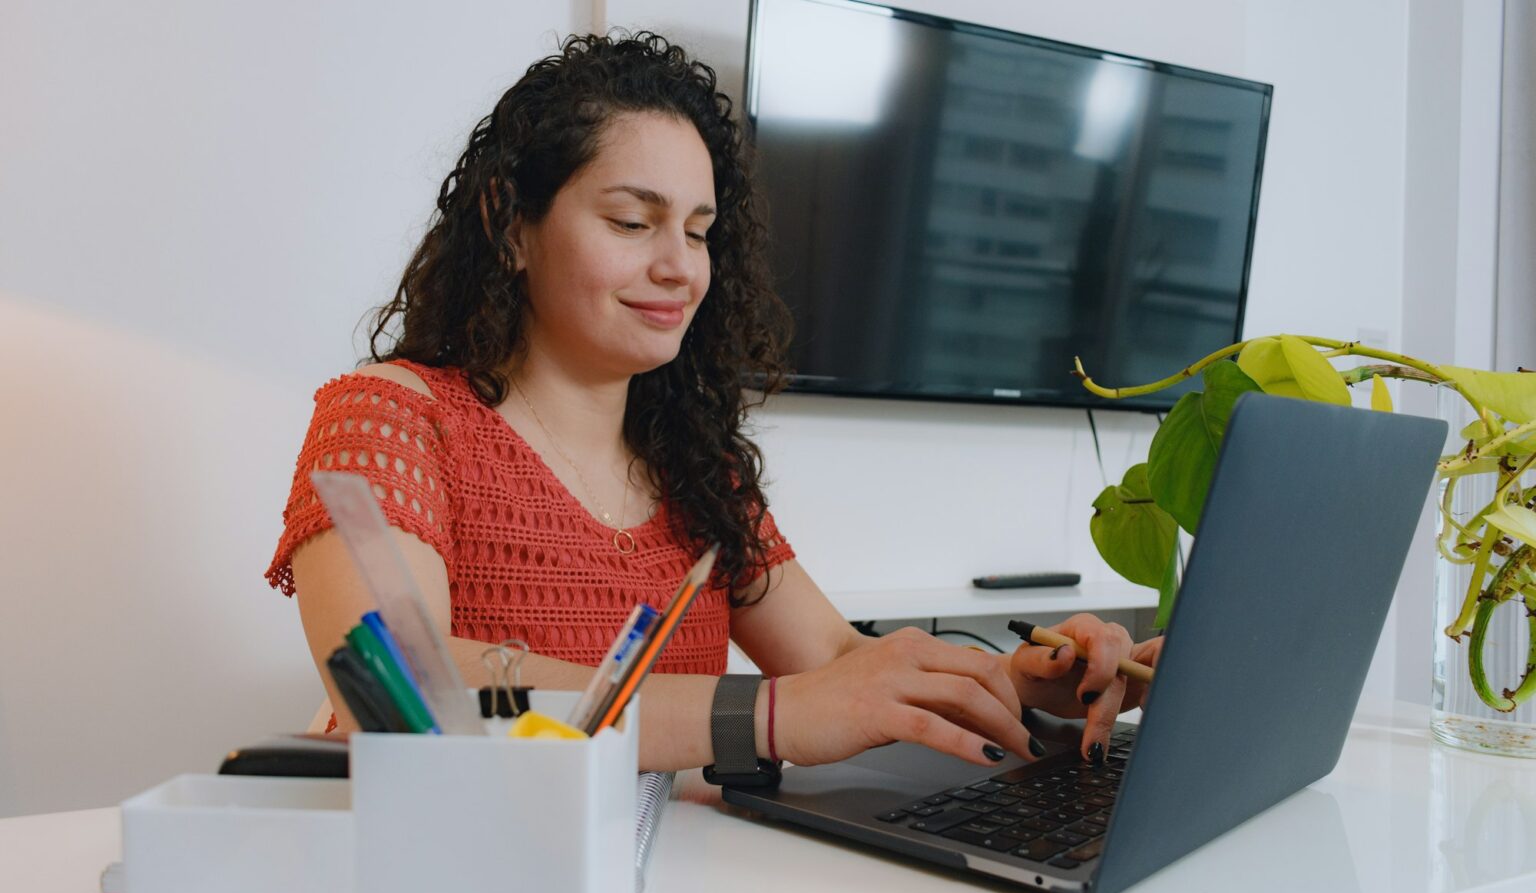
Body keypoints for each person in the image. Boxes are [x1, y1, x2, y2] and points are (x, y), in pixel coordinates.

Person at [266, 32, 1160, 774]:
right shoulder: (390, 422)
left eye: (699, 233)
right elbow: (398, 688)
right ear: (509, 222)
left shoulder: (697, 469)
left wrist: (1031, 680)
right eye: (631, 222)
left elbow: (843, 666)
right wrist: (763, 717)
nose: (680, 266)